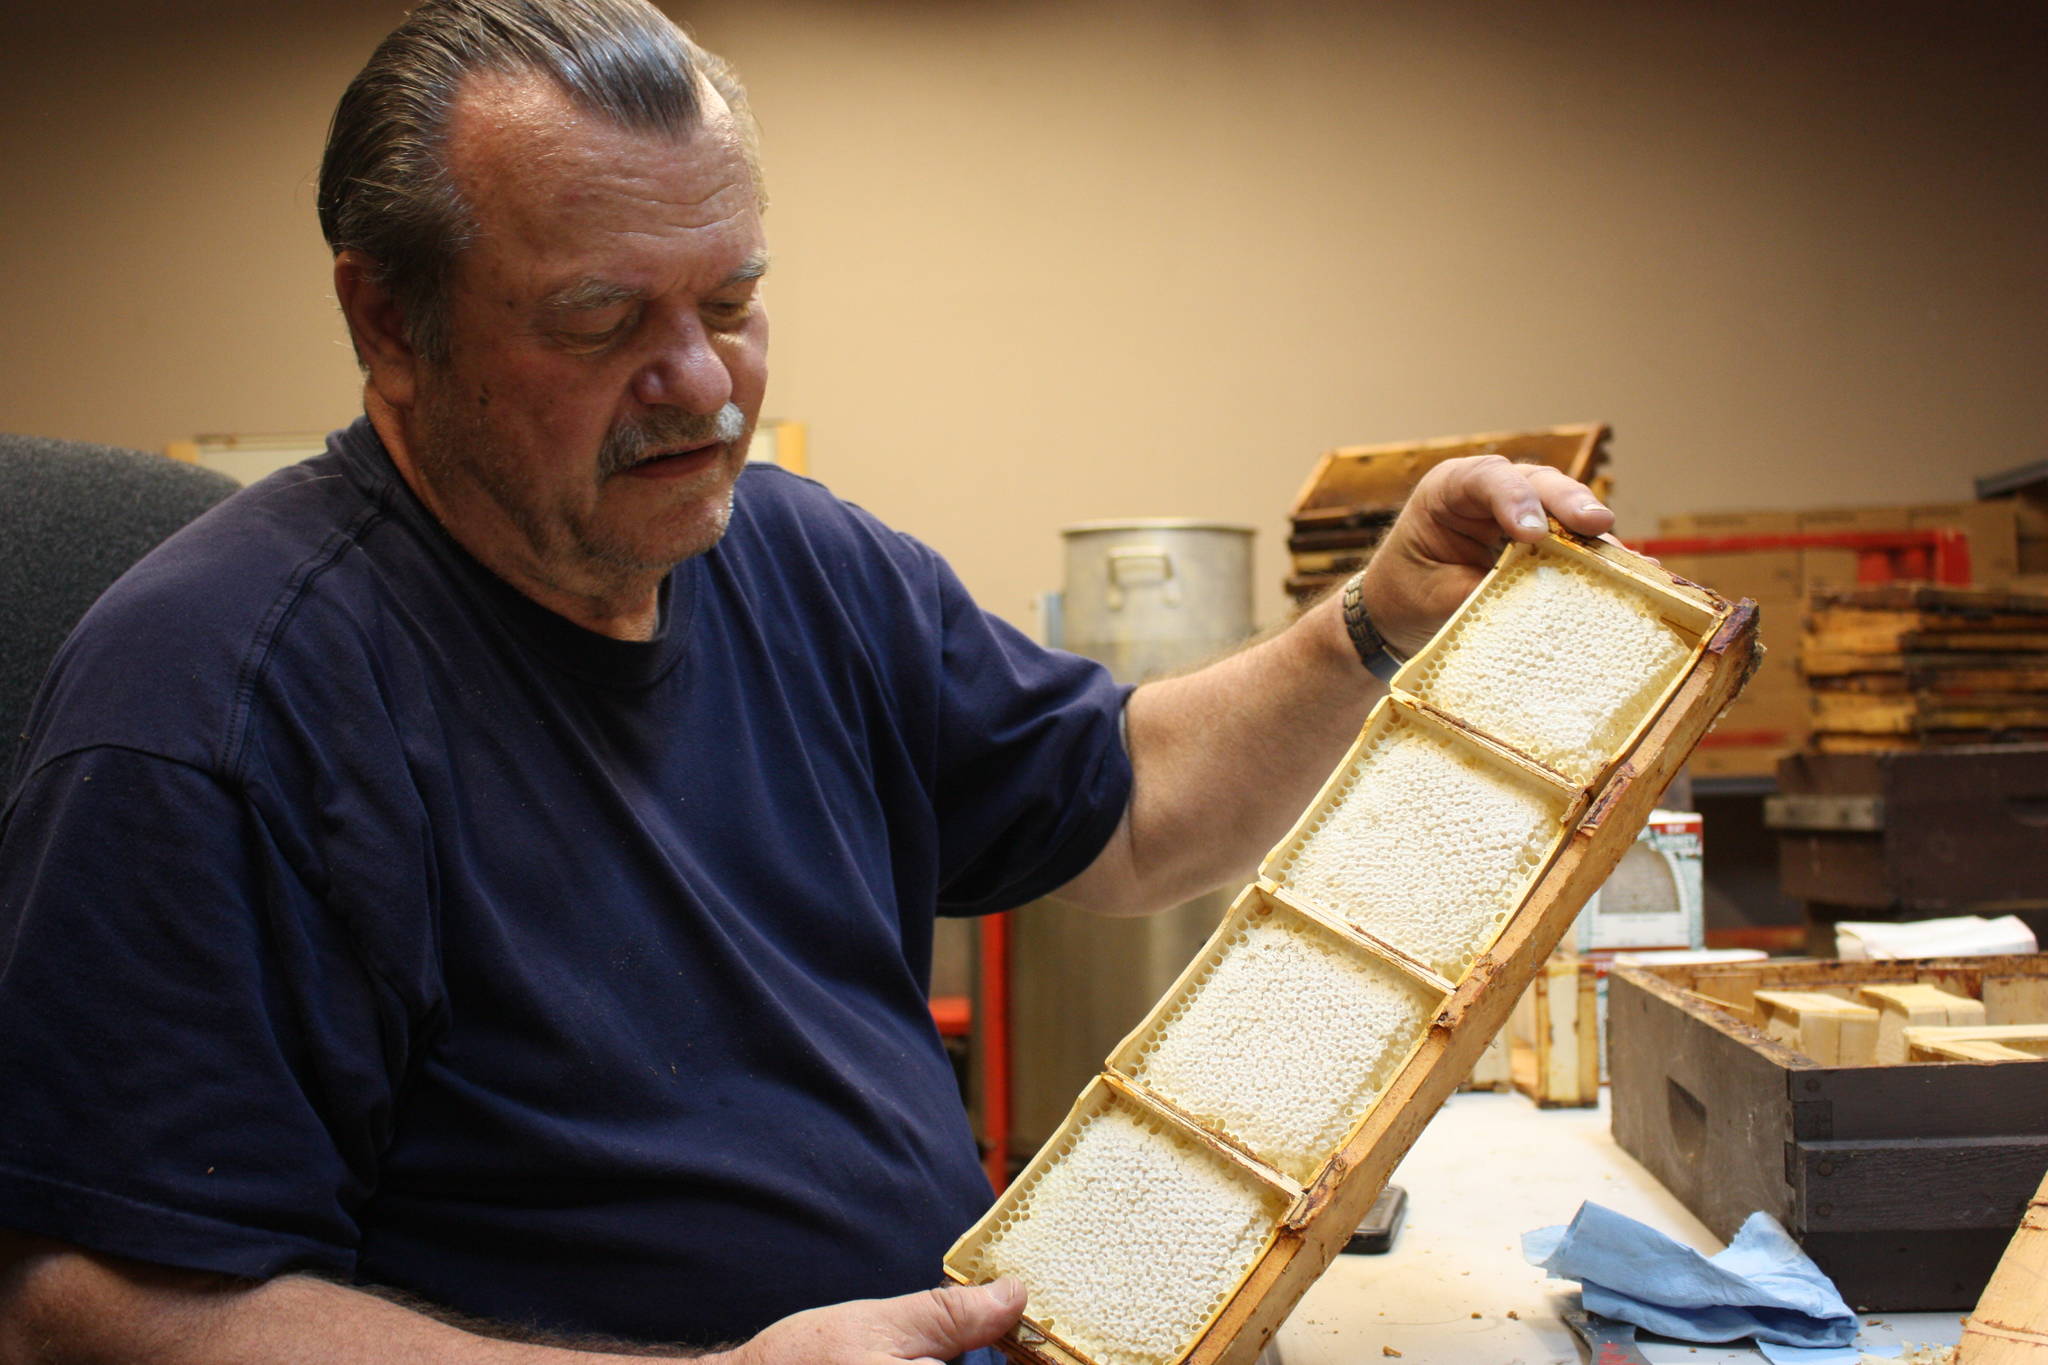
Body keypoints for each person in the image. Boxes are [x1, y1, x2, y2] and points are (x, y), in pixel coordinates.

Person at [0, 1, 1614, 1360]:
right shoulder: (215, 698)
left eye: (733, 299)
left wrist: (1374, 622)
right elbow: (102, 1308)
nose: (702, 384)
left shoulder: (799, 561)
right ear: (387, 320)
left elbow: (1132, 812)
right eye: (604, 315)